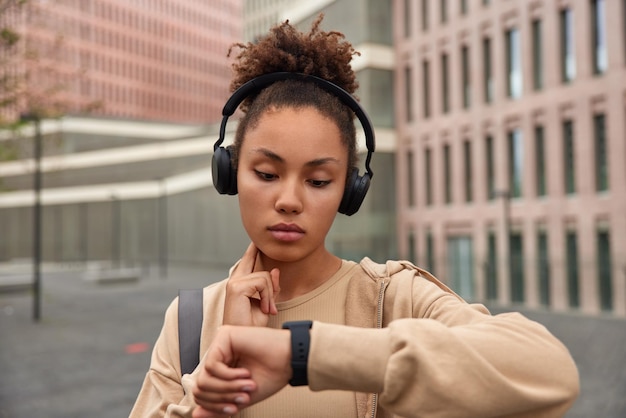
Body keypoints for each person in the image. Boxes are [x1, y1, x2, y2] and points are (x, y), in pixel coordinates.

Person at [130, 15, 579, 418]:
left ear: (351, 189)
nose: (289, 200)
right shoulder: (192, 319)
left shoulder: (396, 300)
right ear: (229, 173)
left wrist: (300, 354)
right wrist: (209, 403)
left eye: (319, 180)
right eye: (267, 173)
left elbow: (550, 372)